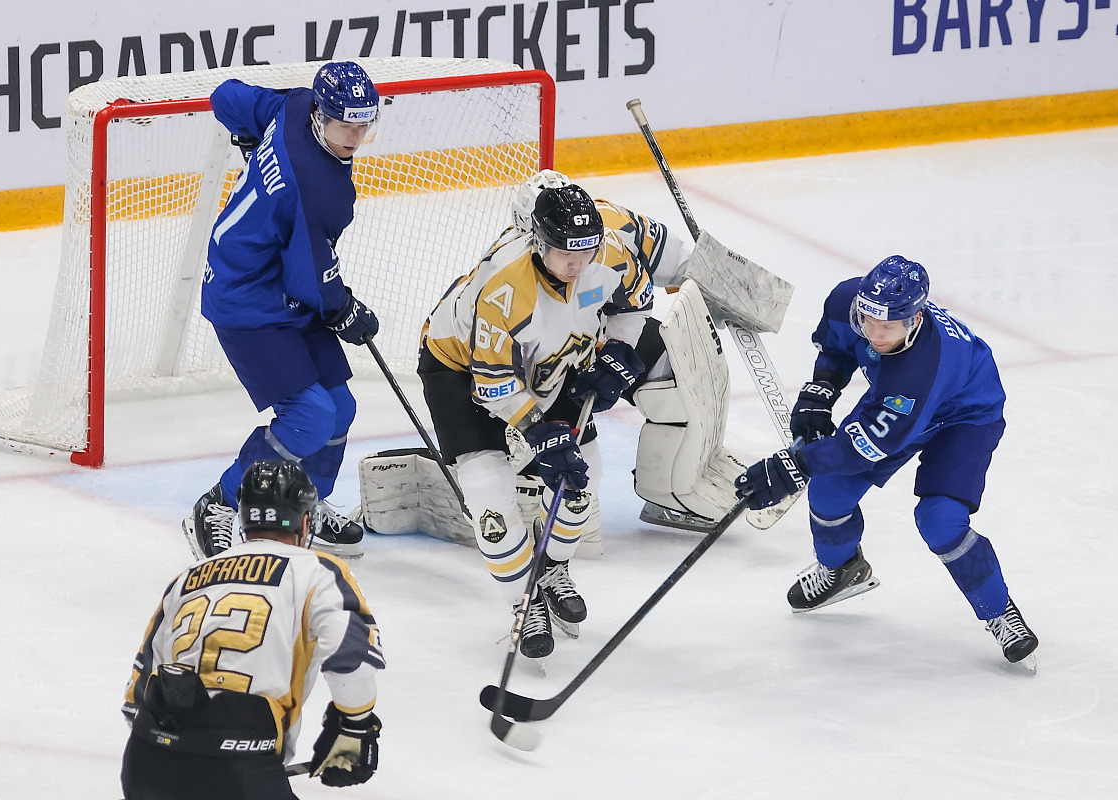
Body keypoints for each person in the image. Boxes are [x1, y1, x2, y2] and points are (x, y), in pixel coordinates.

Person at [416, 175, 743, 659]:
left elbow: (635, 301)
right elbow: (494, 384)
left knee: (582, 477)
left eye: (585, 250)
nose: (576, 263)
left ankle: (552, 568)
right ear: (537, 241)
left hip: (553, 357)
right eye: (564, 252)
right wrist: (538, 432)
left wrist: (618, 350)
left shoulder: (607, 250)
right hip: (461, 369)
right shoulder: (505, 287)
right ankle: (523, 602)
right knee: (488, 492)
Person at [735, 255, 1039, 666]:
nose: (875, 334)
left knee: (940, 520)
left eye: (888, 327)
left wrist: (793, 466)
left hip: (965, 415)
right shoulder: (848, 302)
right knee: (829, 492)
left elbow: (858, 449)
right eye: (868, 320)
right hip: (900, 402)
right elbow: (838, 346)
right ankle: (842, 569)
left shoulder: (919, 369)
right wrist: (821, 389)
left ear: (915, 320)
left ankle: (1000, 611)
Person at [183, 60, 383, 562]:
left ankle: (303, 505)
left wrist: (253, 140)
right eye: (345, 126)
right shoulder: (319, 189)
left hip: (277, 283)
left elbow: (227, 97)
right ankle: (219, 503)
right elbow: (309, 275)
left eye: (364, 126)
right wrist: (344, 310)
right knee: (310, 416)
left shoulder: (293, 106)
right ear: (320, 114)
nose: (355, 138)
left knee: (339, 409)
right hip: (246, 297)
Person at [122, 460, 386, 800]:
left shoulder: (187, 578)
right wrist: (355, 724)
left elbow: (137, 696)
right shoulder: (318, 570)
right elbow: (351, 659)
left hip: (147, 760)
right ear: (306, 521)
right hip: (238, 764)